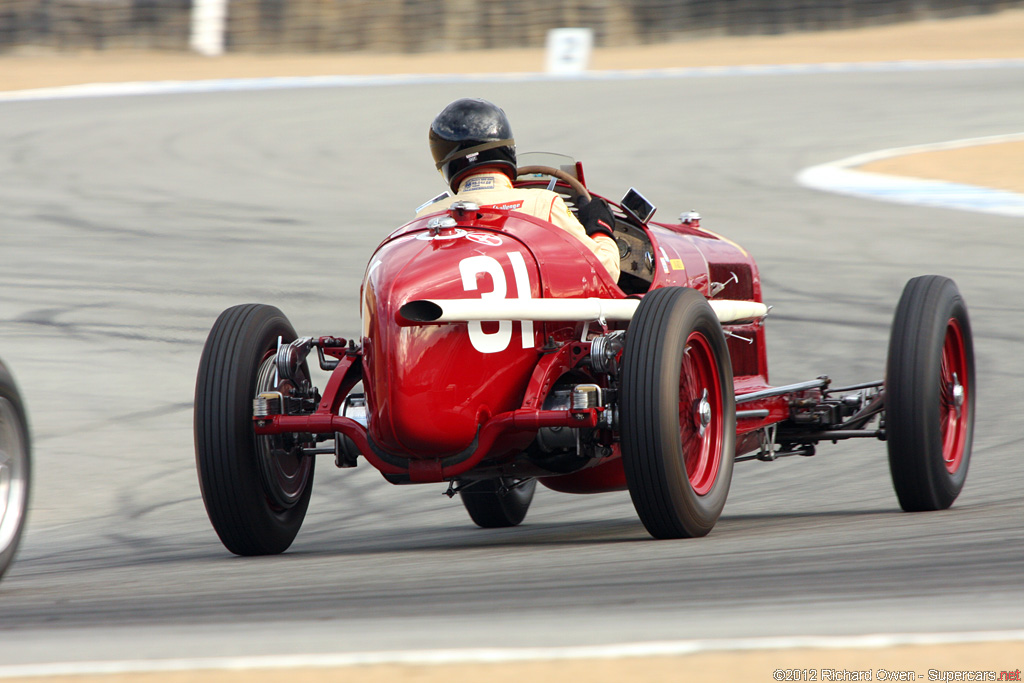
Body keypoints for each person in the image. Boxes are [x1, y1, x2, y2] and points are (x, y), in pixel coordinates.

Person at [417, 98, 620, 282]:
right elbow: (606, 270)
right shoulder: (543, 204)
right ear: (506, 146)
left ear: (444, 160)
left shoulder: (428, 217)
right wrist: (599, 227)